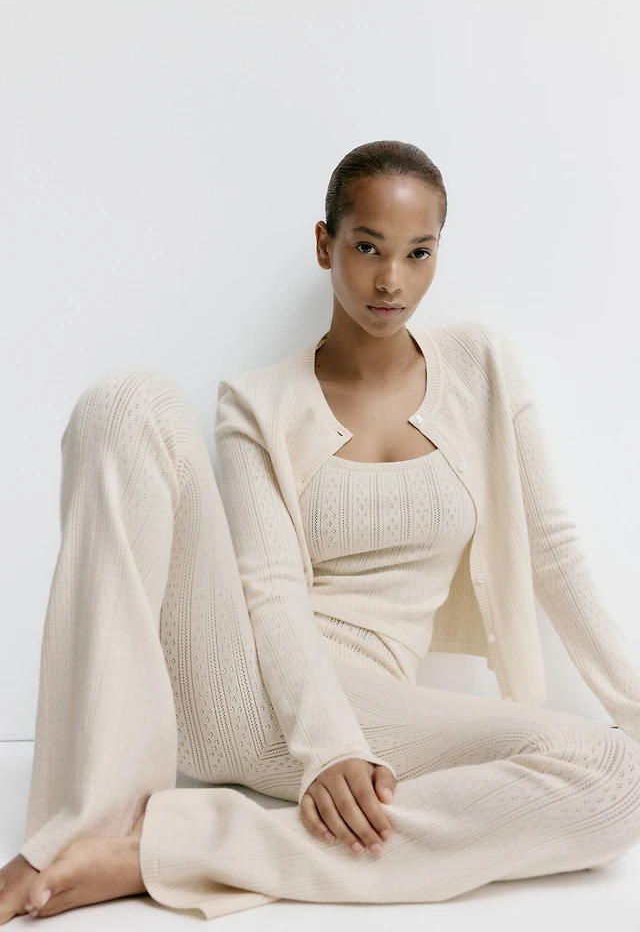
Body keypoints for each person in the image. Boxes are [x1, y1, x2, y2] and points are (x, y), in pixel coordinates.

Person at [2, 139, 640, 924]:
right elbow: (270, 590)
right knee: (127, 402)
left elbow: (554, 551)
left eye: (417, 253)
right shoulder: (259, 403)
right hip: (240, 686)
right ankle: (87, 824)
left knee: (613, 774)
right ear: (324, 243)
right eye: (367, 247)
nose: (390, 279)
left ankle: (160, 850)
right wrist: (330, 744)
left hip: (378, 707)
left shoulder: (483, 365)